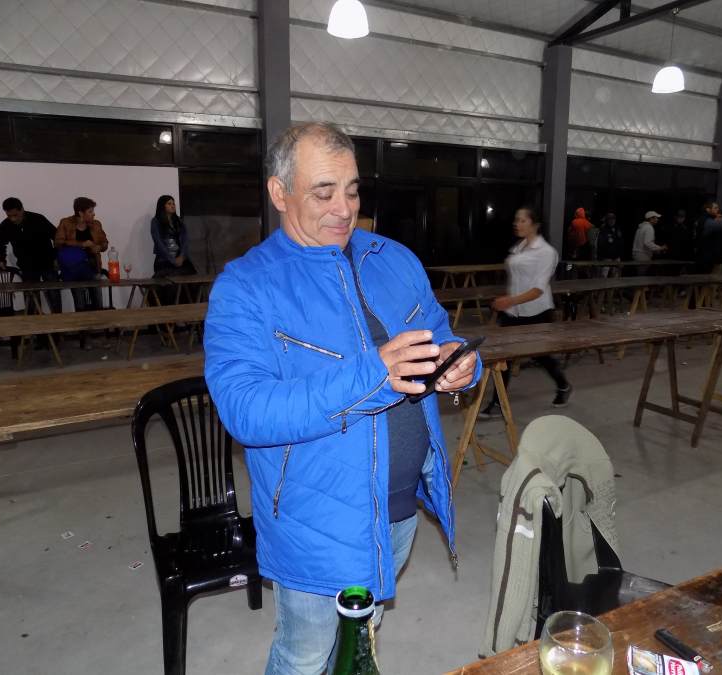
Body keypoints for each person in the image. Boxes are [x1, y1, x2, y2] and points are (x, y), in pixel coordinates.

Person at [203, 122, 481, 675]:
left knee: (361, 638)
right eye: (323, 192)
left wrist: (460, 365)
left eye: (352, 191)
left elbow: (438, 333)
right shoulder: (246, 286)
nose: (344, 209)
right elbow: (246, 411)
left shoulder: (394, 260)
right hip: (318, 520)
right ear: (279, 193)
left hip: (399, 506)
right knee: (305, 654)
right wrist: (372, 374)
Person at [479, 206, 572, 419]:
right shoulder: (519, 247)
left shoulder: (546, 252)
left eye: (522, 220)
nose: (517, 224)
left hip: (537, 311)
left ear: (535, 224)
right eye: (516, 220)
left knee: (542, 356)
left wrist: (508, 300)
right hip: (513, 311)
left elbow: (538, 289)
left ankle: (563, 385)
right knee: (505, 356)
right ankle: (498, 403)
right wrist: (508, 301)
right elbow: (518, 279)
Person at [0, 197, 61, 313]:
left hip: (47, 263)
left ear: (22, 210)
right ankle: (34, 323)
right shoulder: (5, 225)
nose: (13, 219)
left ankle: (58, 320)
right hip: (27, 266)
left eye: (15, 215)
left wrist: (56, 257)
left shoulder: (38, 219)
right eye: (9, 216)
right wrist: (1, 260)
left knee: (54, 296)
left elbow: (57, 237)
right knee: (31, 300)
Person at [55, 197, 108, 312]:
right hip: (73, 269)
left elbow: (104, 243)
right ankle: (82, 322)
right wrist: (81, 244)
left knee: (98, 302)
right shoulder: (65, 223)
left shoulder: (96, 224)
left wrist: (99, 247)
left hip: (93, 267)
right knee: (80, 304)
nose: (93, 214)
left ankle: (99, 321)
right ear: (80, 213)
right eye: (90, 211)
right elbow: (58, 243)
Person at [151, 195, 197, 277]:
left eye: (173, 204)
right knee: (169, 276)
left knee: (191, 273)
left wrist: (182, 257)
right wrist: (172, 260)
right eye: (169, 204)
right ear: (162, 206)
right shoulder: (156, 221)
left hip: (180, 258)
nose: (172, 206)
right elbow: (158, 242)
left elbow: (185, 240)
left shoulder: (179, 221)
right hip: (163, 259)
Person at [695, 201, 722, 273]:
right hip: (705, 258)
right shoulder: (706, 221)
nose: (717, 209)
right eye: (715, 208)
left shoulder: (706, 219)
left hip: (709, 257)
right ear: (708, 209)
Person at [631, 210, 667, 275]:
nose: (657, 219)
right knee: (642, 276)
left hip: (637, 254)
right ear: (651, 219)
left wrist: (655, 250)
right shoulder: (649, 227)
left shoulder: (641, 227)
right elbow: (648, 243)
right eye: (656, 218)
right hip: (643, 256)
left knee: (640, 275)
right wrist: (660, 248)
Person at [596, 212, 623, 278]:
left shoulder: (617, 229)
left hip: (616, 256)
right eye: (610, 219)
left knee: (616, 276)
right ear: (607, 220)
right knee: (604, 276)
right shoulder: (603, 229)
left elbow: (620, 242)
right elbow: (600, 244)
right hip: (606, 257)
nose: (612, 221)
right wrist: (601, 256)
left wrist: (619, 254)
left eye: (613, 219)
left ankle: (614, 285)